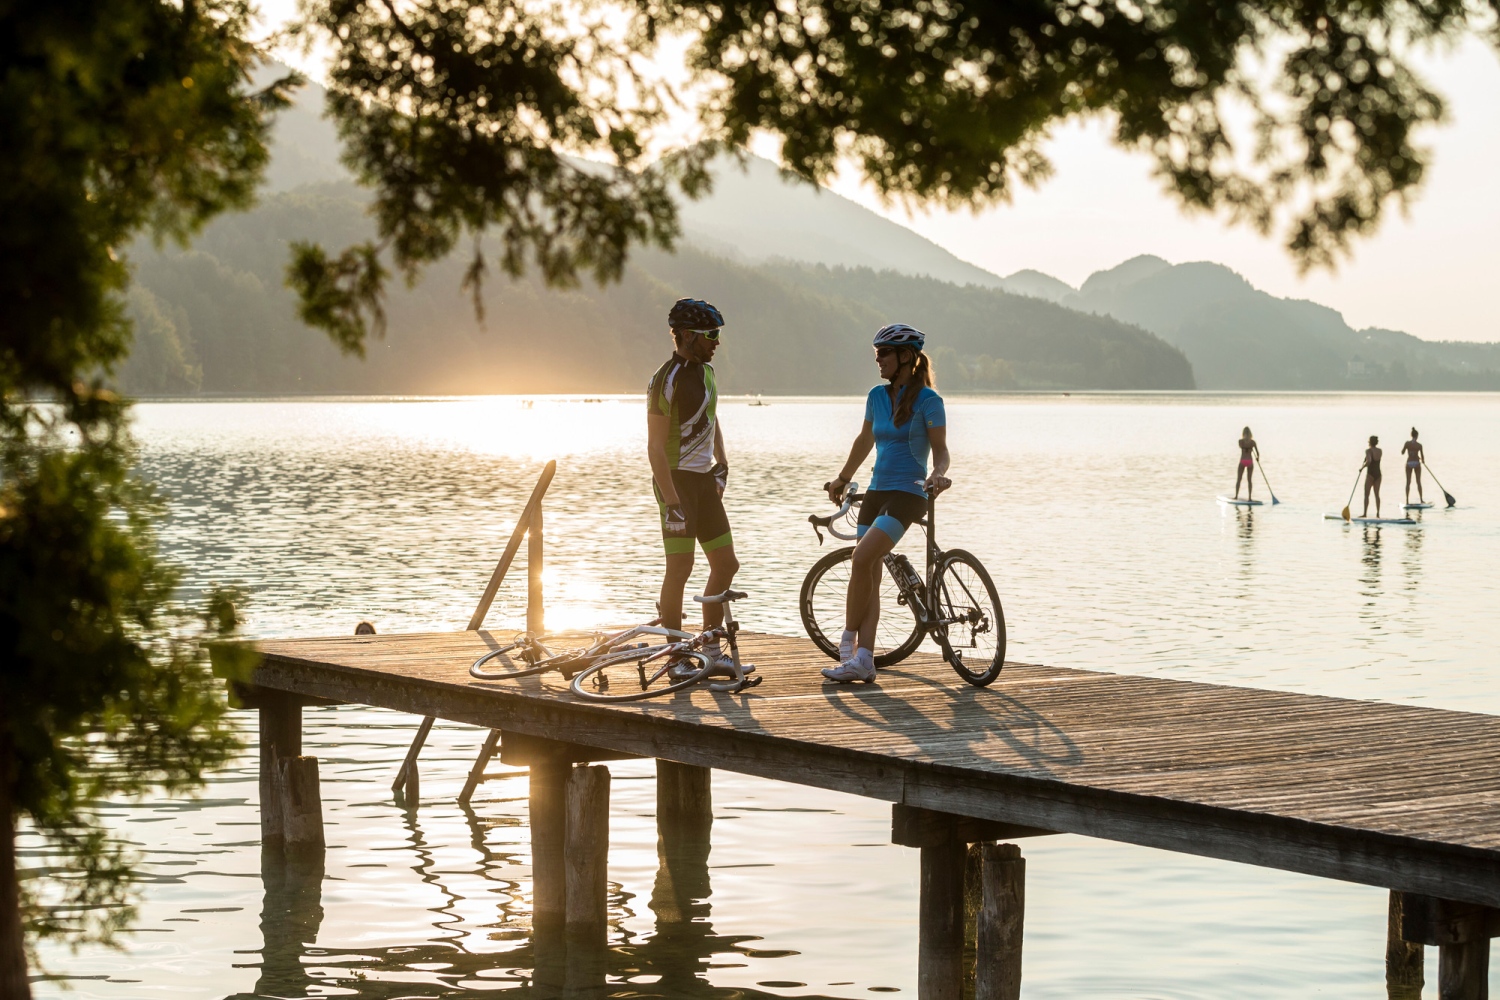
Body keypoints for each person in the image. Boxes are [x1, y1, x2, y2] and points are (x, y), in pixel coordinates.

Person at [821, 323, 950, 684]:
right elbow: (864, 440)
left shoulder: (929, 401)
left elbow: (941, 452)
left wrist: (937, 474)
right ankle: (865, 659)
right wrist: (842, 478)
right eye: (876, 354)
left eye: (884, 354)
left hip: (908, 494)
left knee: (862, 558)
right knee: (870, 574)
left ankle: (847, 643)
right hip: (876, 492)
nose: (878, 360)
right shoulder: (876, 396)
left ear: (905, 357)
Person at [646, 297, 742, 674]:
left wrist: (722, 463)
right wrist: (671, 501)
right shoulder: (664, 380)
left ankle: (710, 647)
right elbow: (655, 447)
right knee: (680, 567)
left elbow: (711, 418)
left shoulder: (707, 372)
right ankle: (674, 655)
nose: (717, 341)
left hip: (704, 481)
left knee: (726, 563)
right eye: (710, 334)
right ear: (687, 336)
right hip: (675, 481)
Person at [1234, 426, 1259, 500]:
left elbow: (1240, 446)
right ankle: (1250, 498)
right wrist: (1257, 458)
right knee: (1249, 480)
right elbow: (1258, 453)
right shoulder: (1253, 442)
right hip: (1250, 462)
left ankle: (1236, 496)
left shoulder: (1240, 441)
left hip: (1242, 461)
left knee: (1239, 479)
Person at [1360, 435, 1383, 518]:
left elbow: (1369, 461)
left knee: (1366, 495)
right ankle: (1378, 513)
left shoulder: (1368, 451)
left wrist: (1362, 468)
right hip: (1378, 474)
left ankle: (1365, 513)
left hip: (1370, 474)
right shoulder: (1380, 451)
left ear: (1370, 442)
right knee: (1377, 495)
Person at [1401, 427, 1425, 504]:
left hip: (1409, 463)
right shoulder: (1419, 445)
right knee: (1418, 482)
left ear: (1411, 435)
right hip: (1417, 463)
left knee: (1408, 482)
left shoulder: (1407, 443)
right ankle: (1421, 499)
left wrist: (1409, 450)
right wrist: (1421, 459)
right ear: (1417, 436)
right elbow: (1423, 458)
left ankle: (1407, 500)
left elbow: (1402, 452)